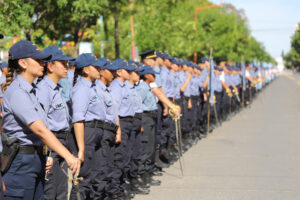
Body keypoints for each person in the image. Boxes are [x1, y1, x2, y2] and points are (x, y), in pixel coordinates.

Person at [2, 40, 81, 199]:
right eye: (37, 60)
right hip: (21, 162)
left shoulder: (31, 92)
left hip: (35, 158)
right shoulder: (18, 92)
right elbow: (40, 129)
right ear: (23, 63)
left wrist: (46, 154)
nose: (42, 63)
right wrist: (68, 156)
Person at [36, 46, 74, 200]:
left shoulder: (57, 89)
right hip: (51, 145)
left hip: (62, 143)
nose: (67, 67)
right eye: (63, 64)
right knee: (50, 192)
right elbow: (41, 124)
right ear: (50, 66)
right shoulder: (43, 89)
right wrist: (48, 153)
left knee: (62, 191)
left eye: (67, 64)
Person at [69, 53, 106, 200]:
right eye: (96, 67)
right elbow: (78, 120)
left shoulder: (92, 87)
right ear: (86, 70)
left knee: (94, 175)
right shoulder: (81, 89)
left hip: (95, 131)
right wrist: (81, 149)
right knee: (83, 179)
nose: (100, 70)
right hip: (87, 133)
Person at [93, 58, 122, 199]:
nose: (113, 74)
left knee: (110, 165)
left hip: (111, 130)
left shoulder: (107, 88)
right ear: (102, 72)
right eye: (110, 71)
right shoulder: (97, 89)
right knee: (102, 168)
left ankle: (108, 194)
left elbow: (114, 112)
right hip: (103, 131)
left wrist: (118, 129)